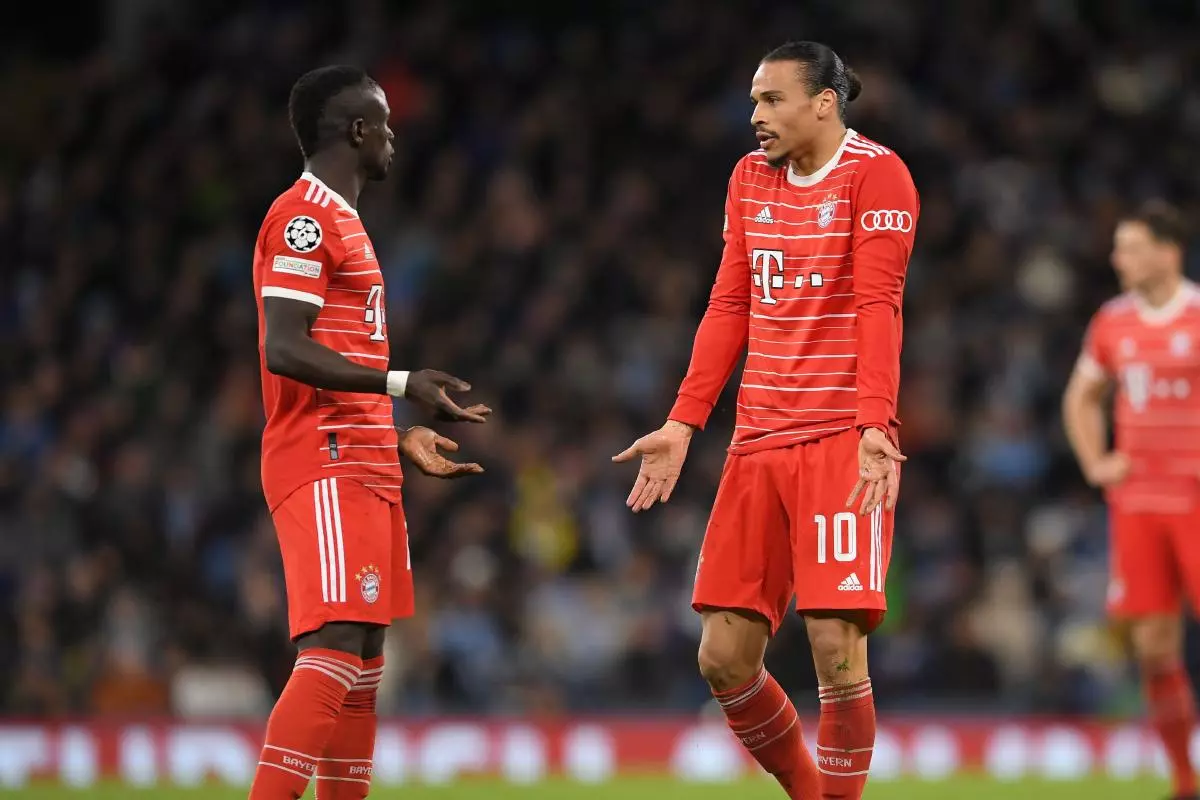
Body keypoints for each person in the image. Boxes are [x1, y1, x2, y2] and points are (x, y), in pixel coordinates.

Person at [614, 40, 918, 800]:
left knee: (833, 646)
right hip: (756, 441)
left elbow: (879, 304)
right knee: (722, 659)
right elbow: (729, 304)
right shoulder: (750, 179)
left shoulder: (878, 174)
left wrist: (876, 423)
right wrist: (684, 422)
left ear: (824, 102)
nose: (754, 116)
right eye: (753, 101)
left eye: (771, 100)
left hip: (838, 440)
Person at [247, 65, 490, 800]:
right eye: (385, 123)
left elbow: (339, 355)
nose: (393, 138)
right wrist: (400, 384)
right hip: (321, 461)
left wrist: (395, 434)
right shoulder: (305, 214)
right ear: (357, 130)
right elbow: (282, 347)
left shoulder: (348, 222)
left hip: (366, 457)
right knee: (333, 647)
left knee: (366, 656)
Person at [1063, 201, 1200, 800]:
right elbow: (1081, 398)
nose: (1118, 258)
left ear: (1168, 252)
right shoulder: (1113, 321)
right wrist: (1098, 462)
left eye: (1131, 246)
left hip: (1196, 500)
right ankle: (1183, 778)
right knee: (1152, 647)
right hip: (1139, 504)